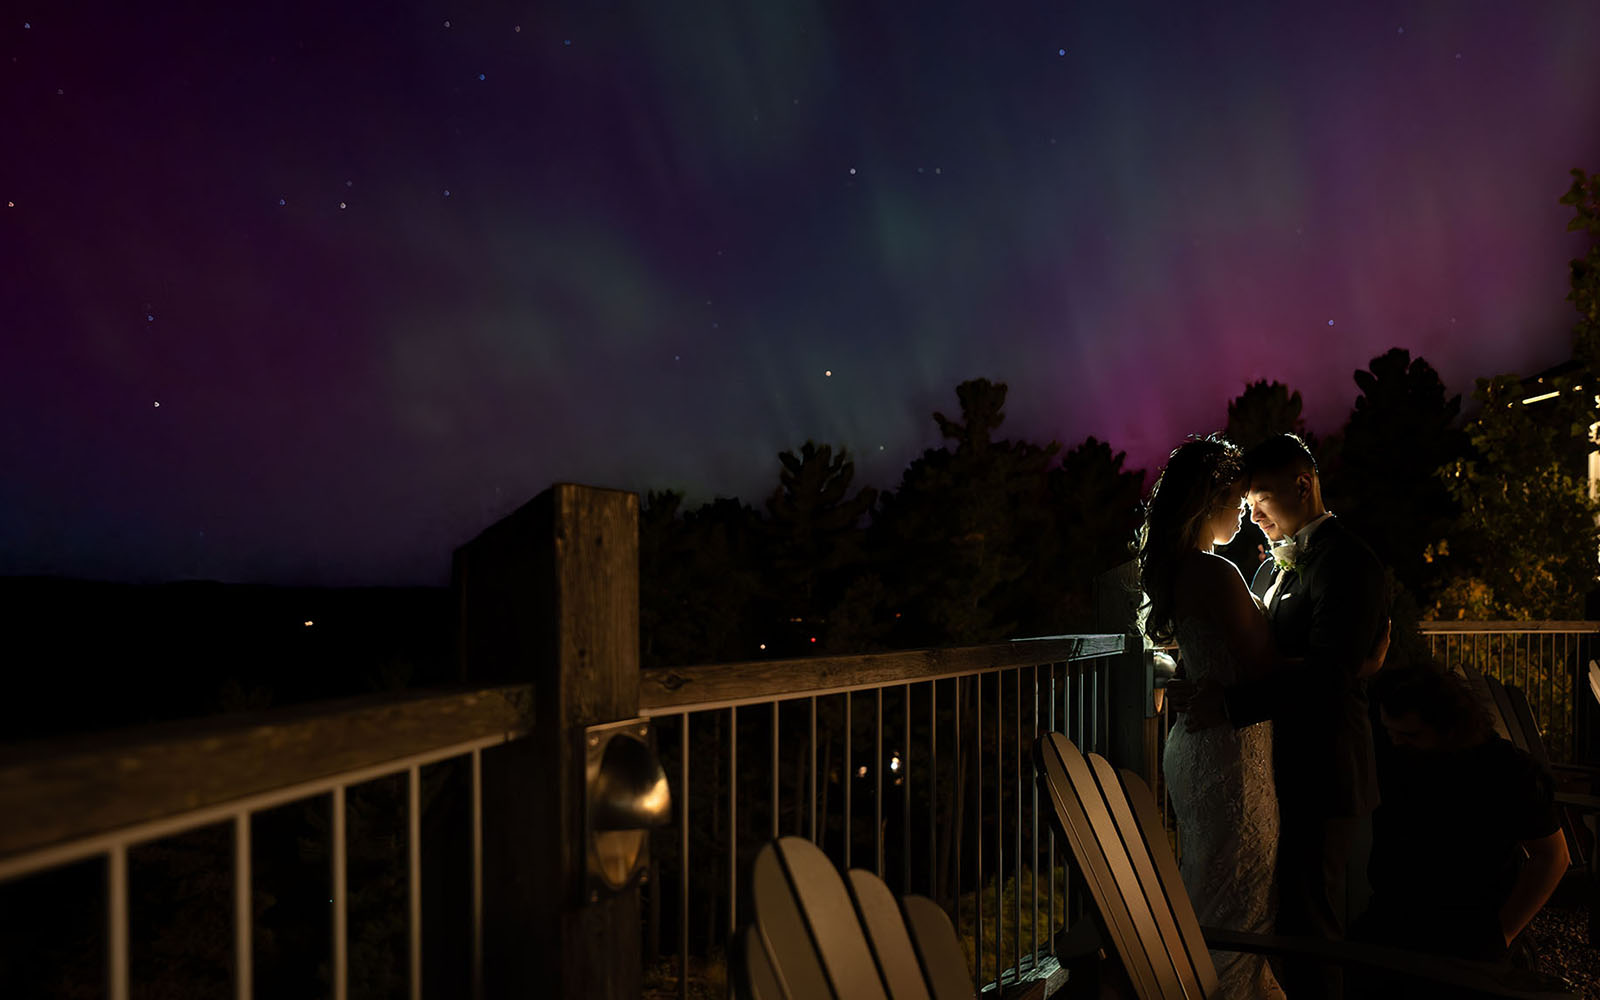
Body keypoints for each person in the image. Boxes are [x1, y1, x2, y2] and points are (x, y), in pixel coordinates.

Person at [1168, 434, 1389, 1000]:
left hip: (1323, 769)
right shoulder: (1270, 570)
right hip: (1268, 770)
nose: (1253, 515)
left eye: (1261, 499)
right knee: (1276, 926)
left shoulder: (1349, 562)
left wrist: (1230, 703)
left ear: (1303, 484)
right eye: (1245, 503)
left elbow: (1328, 675)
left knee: (1314, 933)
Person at [1138, 434, 1283, 999]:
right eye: (1237, 500)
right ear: (1211, 499)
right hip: (1232, 757)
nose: (1244, 513)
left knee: (1211, 891)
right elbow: (1267, 669)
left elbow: (1208, 652)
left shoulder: (1178, 572)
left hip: (1195, 749)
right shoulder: (1215, 572)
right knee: (1241, 911)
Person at [1355, 664, 1567, 970]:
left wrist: (1503, 933)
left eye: (1410, 734)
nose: (1396, 741)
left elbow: (1553, 856)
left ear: (1449, 727)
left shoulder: (1507, 772)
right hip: (1393, 917)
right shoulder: (1398, 755)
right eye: (1390, 731)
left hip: (1470, 929)